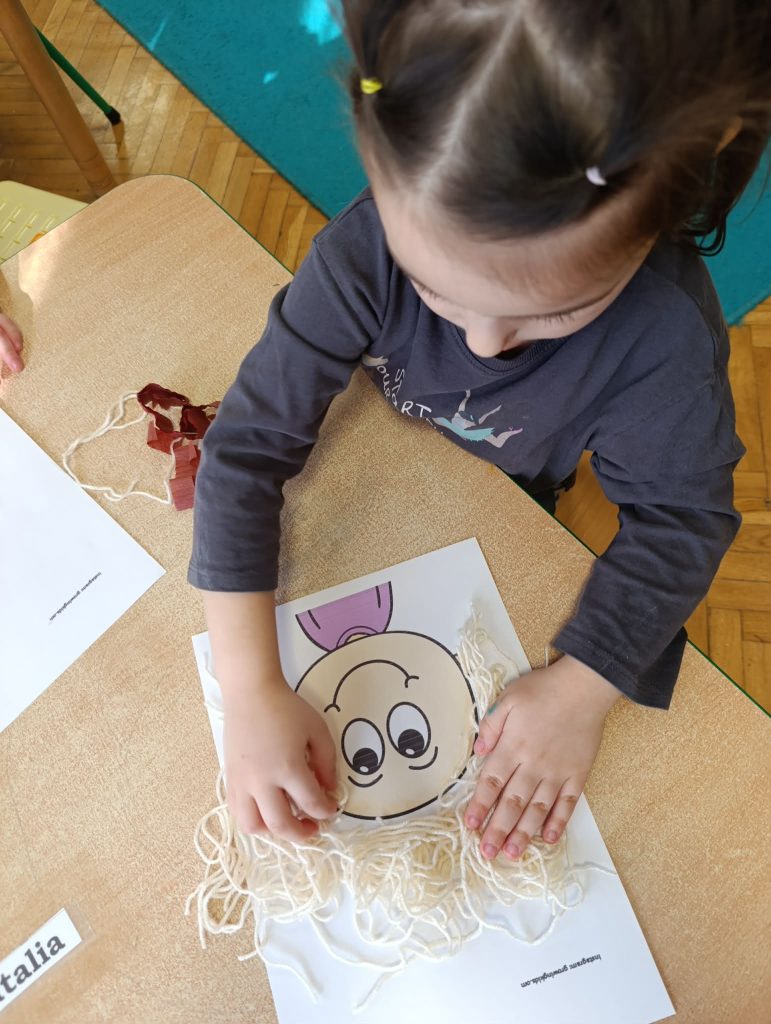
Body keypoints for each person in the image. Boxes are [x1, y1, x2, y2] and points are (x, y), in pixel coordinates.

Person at [189, 0, 770, 863]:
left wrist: (580, 691)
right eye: (435, 291)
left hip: (514, 493)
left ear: (653, 222)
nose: (484, 345)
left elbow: (681, 523)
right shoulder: (365, 249)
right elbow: (244, 447)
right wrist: (247, 687)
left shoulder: (663, 339)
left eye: (554, 313)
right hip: (386, 470)